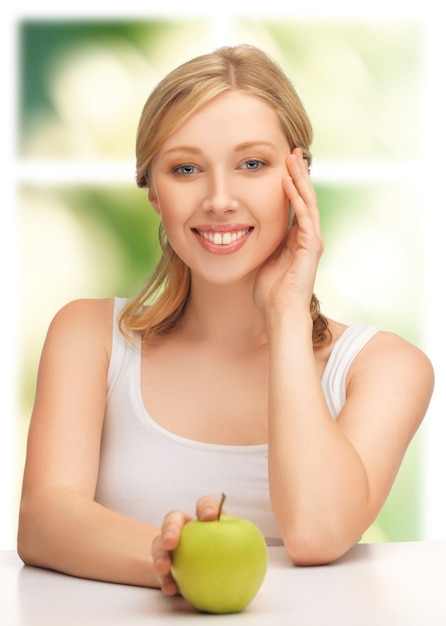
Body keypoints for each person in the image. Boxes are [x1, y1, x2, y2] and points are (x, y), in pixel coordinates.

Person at [18, 44, 434, 595]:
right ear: (152, 191)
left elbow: (316, 533)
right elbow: (44, 520)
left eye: (252, 165)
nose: (219, 199)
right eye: (185, 168)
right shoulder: (88, 337)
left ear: (298, 177)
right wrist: (172, 557)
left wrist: (285, 314)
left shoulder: (385, 369)